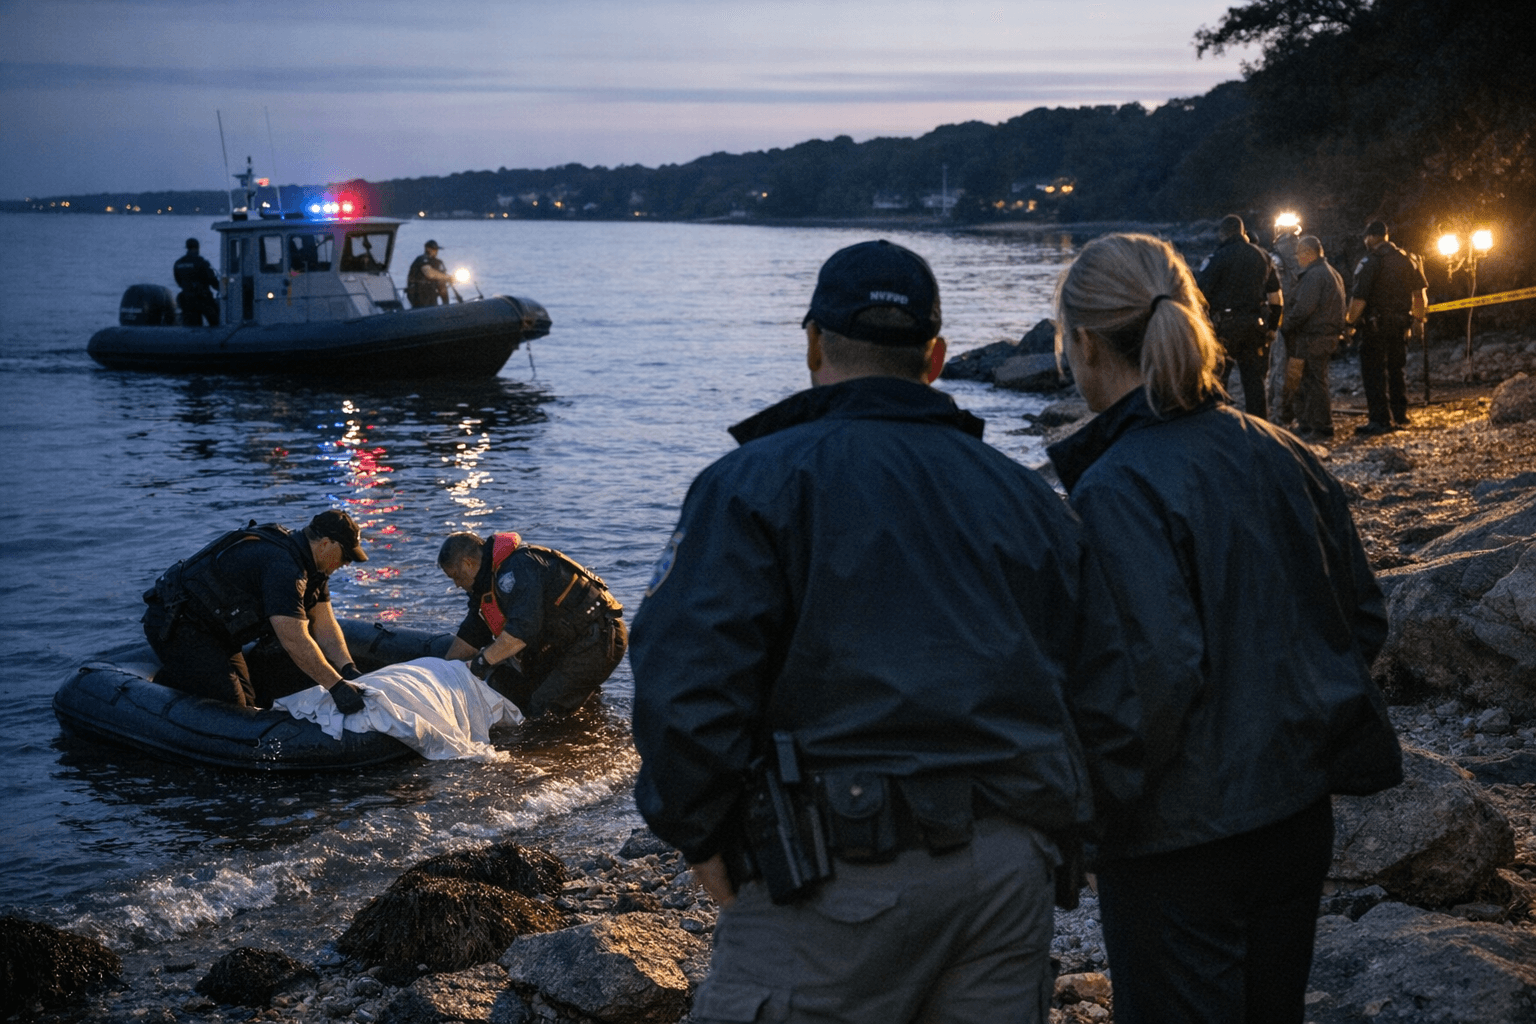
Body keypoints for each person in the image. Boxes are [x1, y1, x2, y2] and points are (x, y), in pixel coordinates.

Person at [628, 240, 1121, 1024]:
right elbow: (1100, 679)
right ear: (935, 357)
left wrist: (698, 831)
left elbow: (682, 678)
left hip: (834, 875)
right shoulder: (1027, 498)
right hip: (1008, 869)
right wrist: (1078, 836)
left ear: (815, 343)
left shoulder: (754, 483)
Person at [1048, 233, 1403, 1024]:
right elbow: (1361, 617)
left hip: (1182, 840)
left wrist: (1083, 818)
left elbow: (1152, 677)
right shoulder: (1278, 449)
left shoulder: (1116, 485)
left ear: (1081, 346)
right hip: (1295, 812)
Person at [141, 510, 371, 712]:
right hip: (182, 626)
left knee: (248, 701)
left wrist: (347, 668)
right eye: (346, 556)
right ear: (325, 544)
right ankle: (163, 687)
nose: (347, 563)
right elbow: (294, 638)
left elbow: (325, 625)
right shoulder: (284, 568)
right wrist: (336, 687)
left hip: (220, 633)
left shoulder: (315, 570)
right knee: (232, 707)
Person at [439, 531, 626, 719]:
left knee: (544, 709)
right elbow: (472, 632)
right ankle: (590, 722)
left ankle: (572, 740)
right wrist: (442, 671)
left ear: (467, 563)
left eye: (455, 576)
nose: (456, 584)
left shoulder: (517, 568)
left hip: (597, 637)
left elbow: (521, 633)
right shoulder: (484, 584)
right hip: (566, 641)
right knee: (516, 688)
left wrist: (481, 662)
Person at [1346, 220, 1428, 435]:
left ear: (1372, 237)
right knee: (1396, 369)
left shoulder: (1371, 261)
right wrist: (1419, 320)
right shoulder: (1407, 259)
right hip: (1401, 324)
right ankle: (1400, 415)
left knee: (1373, 373)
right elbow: (1420, 293)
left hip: (1376, 326)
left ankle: (1380, 420)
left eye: (1366, 238)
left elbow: (1359, 298)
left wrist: (1349, 323)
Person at [1196, 214, 1282, 418]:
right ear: (1243, 232)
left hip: (1224, 327)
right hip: (1254, 325)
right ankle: (1259, 426)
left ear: (1223, 233)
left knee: (1218, 379)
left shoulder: (1217, 258)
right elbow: (1276, 298)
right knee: (1254, 381)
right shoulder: (1264, 257)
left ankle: (1219, 422)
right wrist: (1272, 327)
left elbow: (1199, 295)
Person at [1284, 235, 1348, 442]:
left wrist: (1286, 325)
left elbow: (1304, 308)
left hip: (1314, 337)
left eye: (1298, 254)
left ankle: (1320, 427)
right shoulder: (1331, 273)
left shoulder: (1314, 275)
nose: (1296, 258)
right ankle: (1310, 424)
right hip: (1325, 335)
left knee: (1314, 382)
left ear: (1308, 253)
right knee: (1313, 380)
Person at [1266, 215, 1305, 423]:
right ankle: (1301, 412)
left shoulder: (1274, 258)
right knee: (1300, 365)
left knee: (1279, 366)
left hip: (1281, 319)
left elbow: (1271, 293)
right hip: (1303, 318)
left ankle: (1279, 414)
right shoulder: (1306, 252)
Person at [173, 237, 220, 327]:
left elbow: (178, 281)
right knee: (216, 323)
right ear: (197, 247)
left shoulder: (178, 263)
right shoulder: (201, 262)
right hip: (203, 299)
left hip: (187, 299)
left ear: (187, 248)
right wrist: (221, 288)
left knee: (193, 327)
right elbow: (212, 280)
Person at [406, 240, 452, 308]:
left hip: (432, 293)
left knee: (441, 283)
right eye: (434, 249)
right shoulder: (421, 259)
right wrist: (446, 277)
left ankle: (446, 306)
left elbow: (441, 282)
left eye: (436, 249)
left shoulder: (438, 262)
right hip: (419, 293)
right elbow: (429, 273)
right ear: (427, 249)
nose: (436, 251)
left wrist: (446, 303)